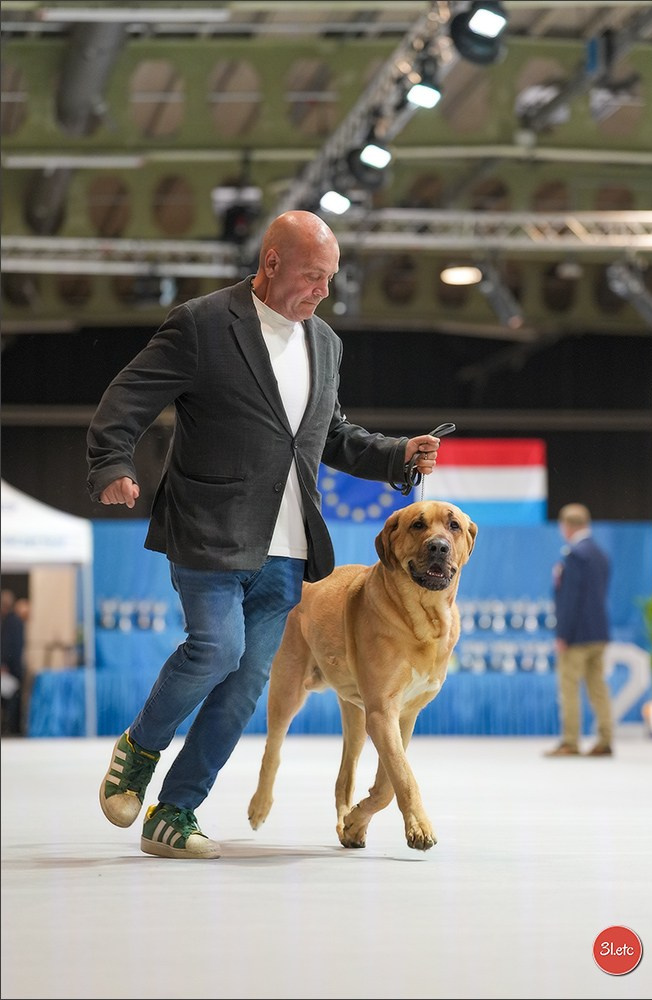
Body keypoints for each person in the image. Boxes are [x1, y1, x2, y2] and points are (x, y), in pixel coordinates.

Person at [87, 209, 443, 859]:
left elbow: (330, 435)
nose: (322, 290)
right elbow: (128, 396)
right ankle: (138, 750)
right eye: (312, 275)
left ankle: (175, 812)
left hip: (286, 549)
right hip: (210, 529)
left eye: (330, 278)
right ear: (271, 263)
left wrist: (396, 454)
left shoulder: (325, 344)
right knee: (217, 650)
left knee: (246, 684)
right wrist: (112, 460)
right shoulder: (201, 324)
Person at [544, 503, 614, 758]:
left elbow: (570, 600)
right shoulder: (600, 554)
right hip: (599, 632)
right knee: (598, 687)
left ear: (567, 526)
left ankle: (570, 742)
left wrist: (563, 634)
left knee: (569, 687)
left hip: (576, 636)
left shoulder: (574, 556)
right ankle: (605, 739)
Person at [1, 589, 25, 737]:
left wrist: (4, 664)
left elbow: (9, 646)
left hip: (11, 668)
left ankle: (12, 728)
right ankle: (11, 727)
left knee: (13, 700)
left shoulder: (12, 622)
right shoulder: (12, 621)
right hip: (13, 667)